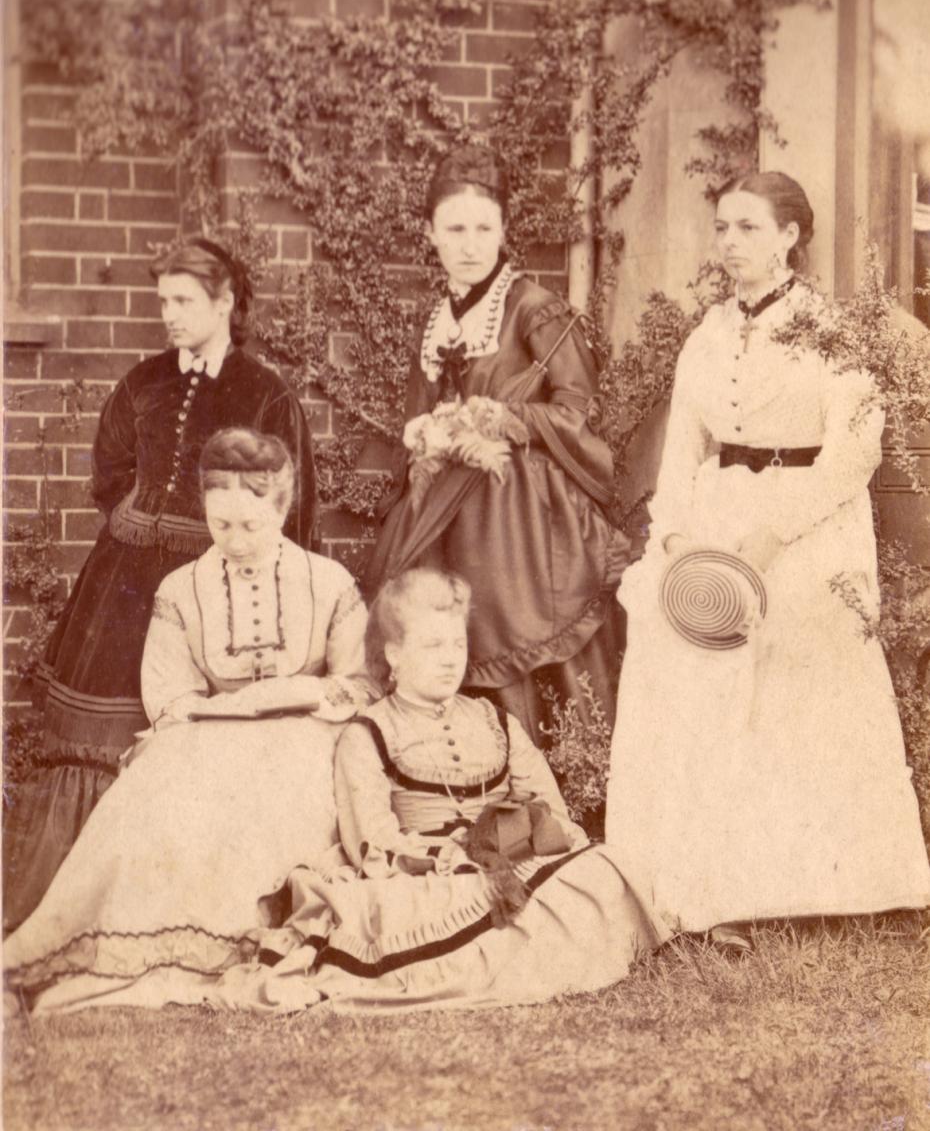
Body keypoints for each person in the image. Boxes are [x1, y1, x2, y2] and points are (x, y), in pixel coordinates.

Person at [6, 568, 667, 1015]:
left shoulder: (493, 717)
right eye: (431, 646)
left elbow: (548, 804)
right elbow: (371, 836)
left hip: (509, 857)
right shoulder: (370, 732)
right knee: (421, 916)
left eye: (456, 644)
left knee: (600, 872)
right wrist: (439, 855)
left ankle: (532, 944)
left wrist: (526, 838)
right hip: (423, 870)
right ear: (394, 655)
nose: (450, 659)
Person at [605, 171, 930, 948]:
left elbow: (854, 453)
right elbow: (683, 453)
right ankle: (712, 887)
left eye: (749, 227)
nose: (730, 242)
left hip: (811, 522)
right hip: (718, 515)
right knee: (687, 644)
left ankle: (837, 884)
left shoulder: (832, 332)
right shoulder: (707, 334)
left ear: (790, 236)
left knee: (801, 669)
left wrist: (773, 533)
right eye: (722, 227)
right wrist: (676, 539)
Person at [3, 240, 318, 932]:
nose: (169, 315)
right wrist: (137, 516)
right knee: (97, 736)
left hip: (216, 583)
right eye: (163, 301)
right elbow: (109, 469)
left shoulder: (265, 393)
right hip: (121, 587)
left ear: (225, 302)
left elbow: (292, 509)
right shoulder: (143, 382)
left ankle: (179, 909)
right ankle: (81, 906)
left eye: (183, 300)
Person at [4, 429, 373, 1009]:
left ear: (282, 508)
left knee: (279, 790)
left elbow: (360, 684)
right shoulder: (182, 589)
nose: (236, 541)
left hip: (306, 735)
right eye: (221, 525)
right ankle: (138, 942)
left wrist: (298, 695)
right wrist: (228, 712)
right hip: (209, 734)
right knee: (156, 789)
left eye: (250, 525)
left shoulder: (328, 582)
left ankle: (241, 941)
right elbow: (170, 699)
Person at [364, 146, 629, 745]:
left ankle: (546, 776)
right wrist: (427, 433)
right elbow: (420, 411)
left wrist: (503, 417)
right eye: (455, 230)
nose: (470, 245)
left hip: (521, 517)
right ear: (430, 233)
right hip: (444, 512)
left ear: (504, 230)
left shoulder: (533, 309)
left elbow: (580, 409)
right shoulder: (437, 320)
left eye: (484, 229)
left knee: (512, 628)